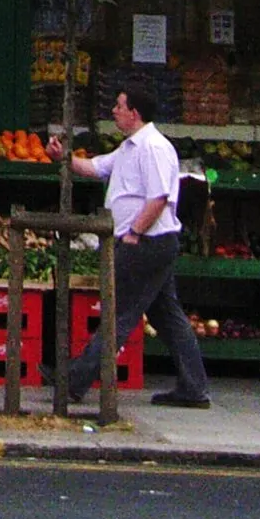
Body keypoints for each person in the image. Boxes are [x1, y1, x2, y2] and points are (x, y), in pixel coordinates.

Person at [54, 84, 210, 409]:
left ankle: (75, 380)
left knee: (119, 311)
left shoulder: (153, 147)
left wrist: (134, 233)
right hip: (151, 243)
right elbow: (96, 167)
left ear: (134, 113)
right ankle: (194, 387)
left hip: (147, 243)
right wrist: (64, 158)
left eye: (119, 105)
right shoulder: (129, 148)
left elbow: (159, 197)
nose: (114, 110)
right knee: (167, 317)